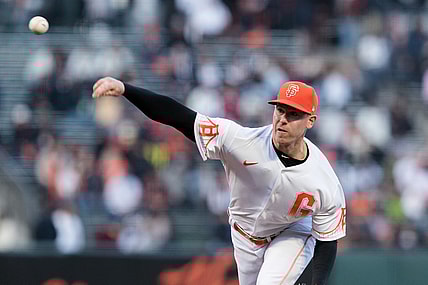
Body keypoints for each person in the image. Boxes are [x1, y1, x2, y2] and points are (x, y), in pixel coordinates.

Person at [92, 77, 346, 285]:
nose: (282, 119)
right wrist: (127, 89)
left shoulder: (324, 180)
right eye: (280, 110)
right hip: (244, 235)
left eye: (294, 114)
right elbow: (178, 116)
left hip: (291, 232)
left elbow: (327, 239)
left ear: (310, 121)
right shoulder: (241, 141)